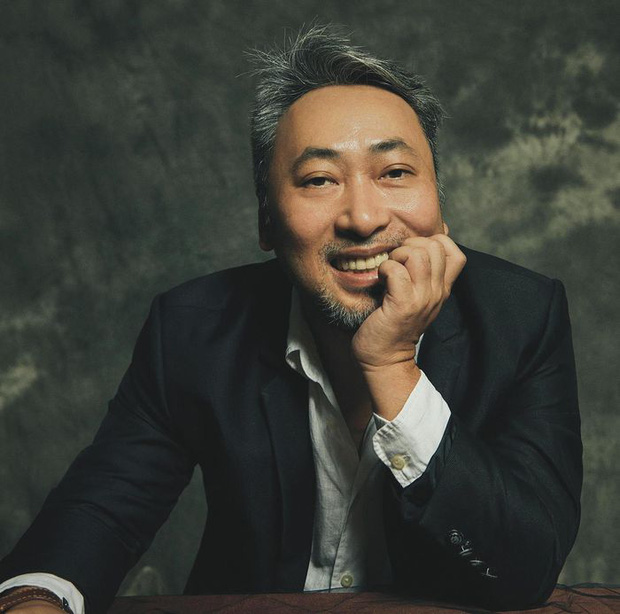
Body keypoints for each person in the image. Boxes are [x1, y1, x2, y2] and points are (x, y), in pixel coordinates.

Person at [0, 25, 582, 614]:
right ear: (266, 222)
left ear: (439, 204)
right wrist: (35, 597)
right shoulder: (192, 329)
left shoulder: (521, 317)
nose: (362, 218)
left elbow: (525, 570)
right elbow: (102, 509)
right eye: (319, 180)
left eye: (395, 173)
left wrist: (392, 367)